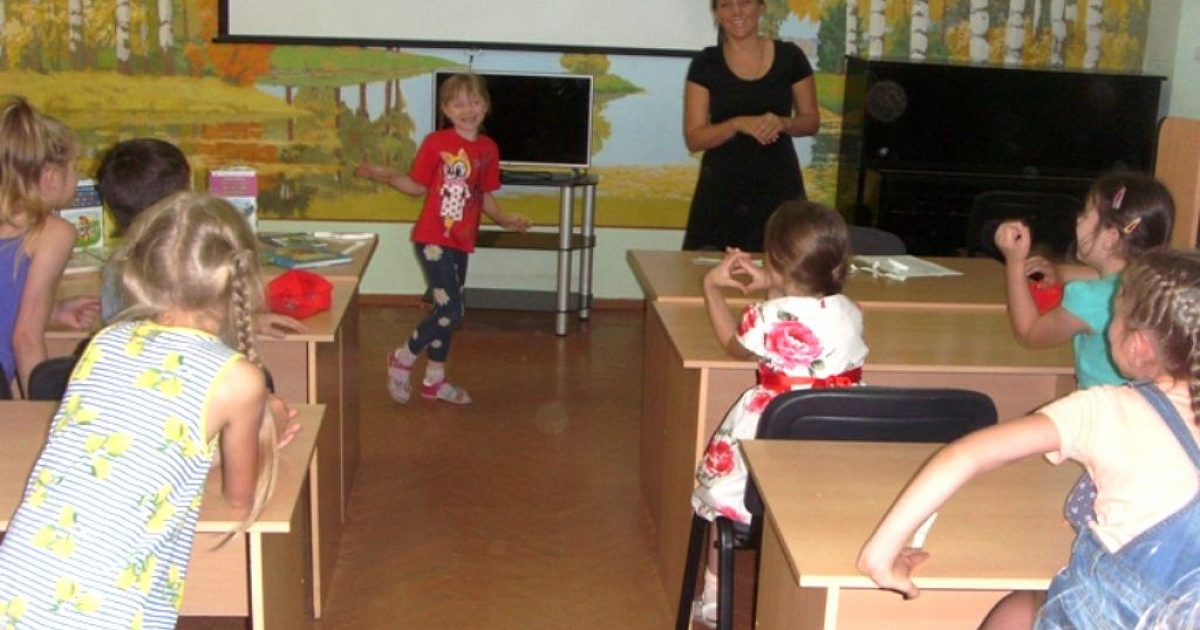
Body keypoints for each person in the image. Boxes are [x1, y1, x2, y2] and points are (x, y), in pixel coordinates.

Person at [0, 191, 299, 629]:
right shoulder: (239, 379)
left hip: (19, 578)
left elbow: (140, 444)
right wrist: (266, 422)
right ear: (242, 278)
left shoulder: (105, 342)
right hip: (109, 603)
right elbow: (239, 497)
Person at [858, 248, 1200, 630]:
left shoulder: (1106, 409)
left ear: (1138, 345)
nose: (1108, 327)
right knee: (1028, 599)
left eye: (1114, 315)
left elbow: (965, 455)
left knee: (1022, 605)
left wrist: (881, 553)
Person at [689, 199, 869, 625]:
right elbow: (803, 307)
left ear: (776, 262)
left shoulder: (763, 317)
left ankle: (713, 599)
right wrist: (774, 280)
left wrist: (711, 287)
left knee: (721, 502)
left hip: (772, 432)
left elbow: (733, 345)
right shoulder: (851, 311)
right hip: (834, 439)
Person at [356, 72, 530, 405]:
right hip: (432, 239)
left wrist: (505, 219)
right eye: (458, 104)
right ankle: (402, 357)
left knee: (445, 310)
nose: (467, 110)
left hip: (461, 242)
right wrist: (388, 176)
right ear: (446, 110)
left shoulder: (488, 149)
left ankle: (434, 381)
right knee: (452, 310)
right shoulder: (436, 143)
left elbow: (485, 194)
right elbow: (417, 187)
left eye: (474, 102)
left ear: (485, 106)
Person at [95, 137, 306, 339]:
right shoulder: (189, 260)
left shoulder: (117, 266)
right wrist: (246, 322)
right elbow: (189, 330)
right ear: (182, 202)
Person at [994, 172, 1174, 389]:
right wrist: (1061, 272)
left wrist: (1014, 262)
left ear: (1111, 238)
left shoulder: (1089, 298)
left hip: (1099, 406)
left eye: (1087, 215)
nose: (1079, 219)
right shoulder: (1162, 283)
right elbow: (1111, 279)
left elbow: (1030, 332)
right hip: (1144, 404)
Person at [681, 0, 820, 253]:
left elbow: (811, 121)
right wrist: (736, 124)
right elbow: (694, 139)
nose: (736, 12)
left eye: (744, 3)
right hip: (721, 190)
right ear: (717, 13)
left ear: (761, 7)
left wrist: (784, 123)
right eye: (725, 5)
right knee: (705, 270)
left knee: (787, 265)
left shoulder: (791, 57)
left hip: (778, 186)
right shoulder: (705, 63)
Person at [0, 96, 99, 395]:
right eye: (74, 167)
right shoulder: (52, 233)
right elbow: (26, 339)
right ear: (51, 178)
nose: (77, 176)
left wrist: (52, 311)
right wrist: (41, 411)